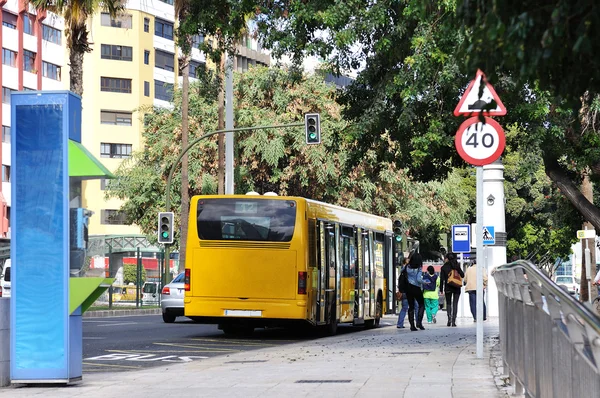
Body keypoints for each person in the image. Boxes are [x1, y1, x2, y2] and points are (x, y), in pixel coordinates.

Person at [440, 253, 464, 327]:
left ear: (447, 258)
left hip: (448, 287)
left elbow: (442, 279)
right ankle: (454, 321)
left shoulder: (444, 267)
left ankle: (449, 319)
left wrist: (441, 289)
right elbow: (462, 275)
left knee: (448, 303)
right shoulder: (457, 265)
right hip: (456, 286)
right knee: (455, 303)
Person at [396, 258, 420, 328]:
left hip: (405, 293)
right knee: (416, 307)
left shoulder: (402, 273)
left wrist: (401, 291)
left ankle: (399, 324)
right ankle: (418, 323)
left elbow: (400, 283)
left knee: (404, 308)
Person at [406, 253, 426, 331]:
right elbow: (418, 279)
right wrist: (424, 282)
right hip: (416, 288)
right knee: (421, 304)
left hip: (408, 288)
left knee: (411, 307)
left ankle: (412, 325)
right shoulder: (419, 268)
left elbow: (402, 272)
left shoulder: (407, 267)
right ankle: (419, 322)